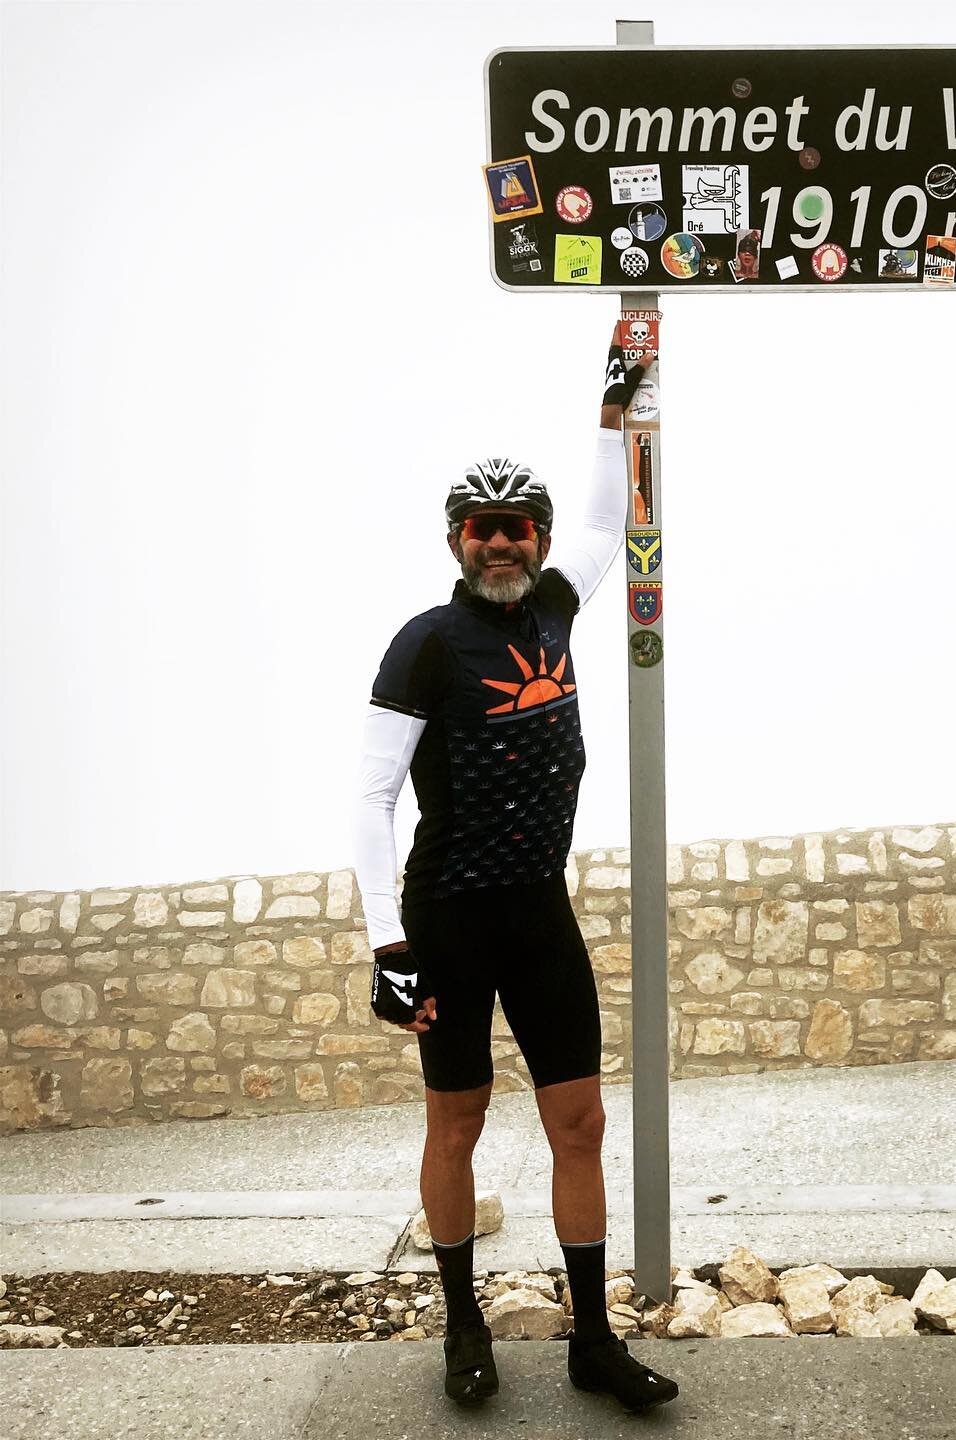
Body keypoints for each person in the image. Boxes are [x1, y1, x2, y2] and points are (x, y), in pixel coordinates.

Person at [352, 325, 679, 1414]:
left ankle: (592, 1340)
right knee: (457, 1121)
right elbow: (370, 799)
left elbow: (604, 517)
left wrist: (612, 409)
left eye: (519, 528)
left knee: (578, 1122)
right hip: (446, 920)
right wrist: (385, 946)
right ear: (457, 540)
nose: (505, 544)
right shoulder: (424, 644)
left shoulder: (555, 604)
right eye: (485, 529)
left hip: (540, 914)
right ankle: (462, 1328)